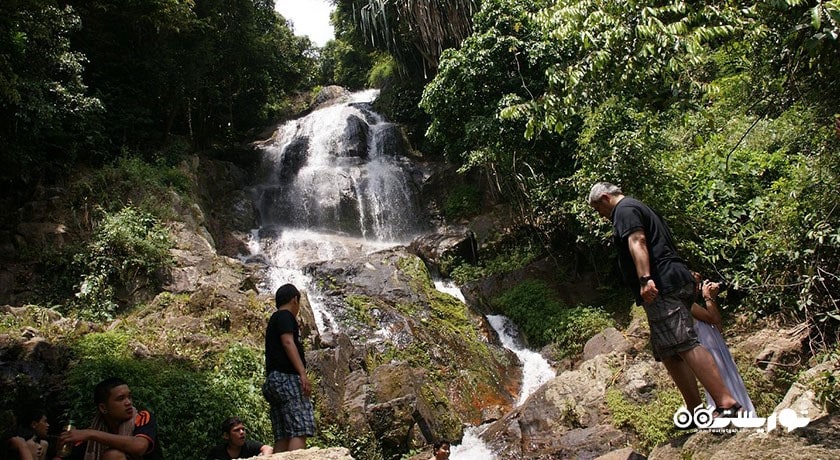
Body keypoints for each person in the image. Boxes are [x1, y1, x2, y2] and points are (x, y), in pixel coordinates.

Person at [587, 182, 742, 417]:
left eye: (598, 209)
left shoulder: (624, 210)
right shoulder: (639, 207)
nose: (600, 215)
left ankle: (726, 403)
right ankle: (694, 410)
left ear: (606, 198)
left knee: (684, 343)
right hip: (673, 280)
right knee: (670, 352)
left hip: (662, 285)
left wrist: (645, 279)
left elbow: (637, 241)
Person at [689, 271, 756, 415]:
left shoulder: (696, 305)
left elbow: (717, 326)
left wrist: (711, 298)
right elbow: (712, 318)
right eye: (695, 284)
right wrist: (708, 298)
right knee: (721, 386)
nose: (698, 288)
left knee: (731, 383)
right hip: (709, 355)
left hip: (719, 352)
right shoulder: (689, 305)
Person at [261, 284, 316, 452]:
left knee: (283, 434)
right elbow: (287, 342)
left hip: (273, 381)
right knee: (299, 429)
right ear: (295, 300)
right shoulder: (286, 316)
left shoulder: (274, 318)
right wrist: (302, 374)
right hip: (287, 378)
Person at [58, 377, 162, 460]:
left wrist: (91, 434)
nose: (128, 402)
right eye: (121, 399)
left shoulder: (142, 417)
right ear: (103, 408)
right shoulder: (95, 430)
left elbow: (139, 446)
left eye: (129, 397)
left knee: (113, 456)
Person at [205, 416, 272, 460]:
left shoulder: (250, 446)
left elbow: (268, 448)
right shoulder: (217, 452)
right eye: (236, 430)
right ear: (226, 435)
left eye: (243, 429)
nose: (242, 432)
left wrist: (264, 458)